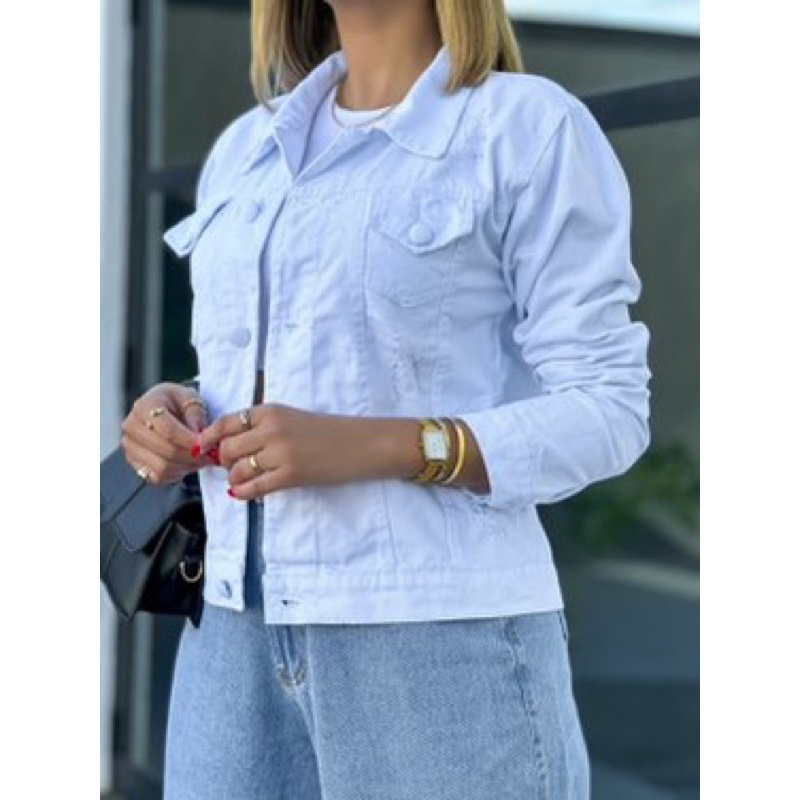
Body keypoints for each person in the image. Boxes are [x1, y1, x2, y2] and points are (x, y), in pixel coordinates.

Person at [120, 0, 651, 797]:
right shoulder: (247, 148)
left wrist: (377, 445)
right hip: (231, 637)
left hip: (437, 642)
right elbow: (307, 365)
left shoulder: (527, 129)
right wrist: (181, 410)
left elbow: (609, 408)